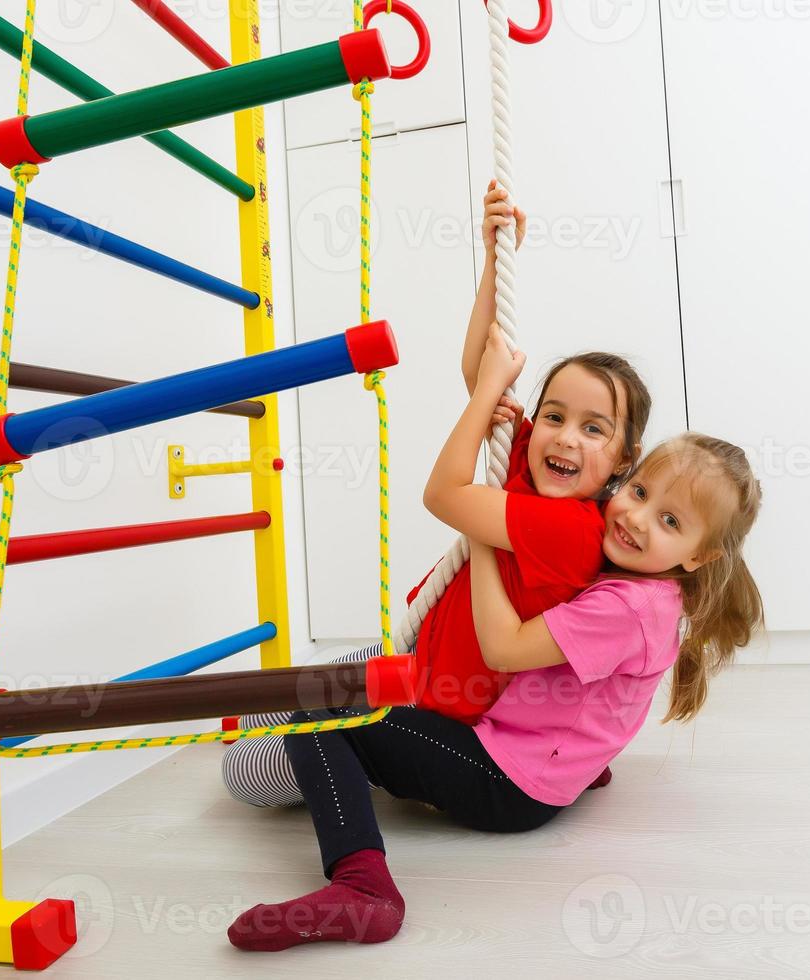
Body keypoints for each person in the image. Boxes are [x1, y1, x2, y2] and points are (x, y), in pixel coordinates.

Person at [225, 330, 765, 951]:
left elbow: (505, 649)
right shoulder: (622, 547)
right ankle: (578, 757)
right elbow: (483, 375)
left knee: (319, 714)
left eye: (670, 521)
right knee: (348, 675)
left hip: (506, 782)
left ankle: (364, 884)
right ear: (625, 480)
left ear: (700, 555)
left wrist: (483, 529)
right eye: (641, 494)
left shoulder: (629, 603)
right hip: (512, 738)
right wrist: (491, 254)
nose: (636, 518)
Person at [221, 182, 652, 806]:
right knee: (273, 701)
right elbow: (481, 369)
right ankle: (258, 728)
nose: (563, 437)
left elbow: (444, 494)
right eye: (553, 415)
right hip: (418, 650)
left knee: (243, 778)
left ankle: (294, 756)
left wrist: (485, 396)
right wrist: (493, 259)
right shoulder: (531, 467)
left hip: (434, 700)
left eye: (594, 429)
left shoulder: (573, 527)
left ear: (622, 458)